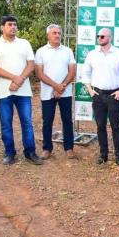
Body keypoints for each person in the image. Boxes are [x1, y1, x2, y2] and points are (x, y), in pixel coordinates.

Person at [0, 15, 42, 165]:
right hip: (4, 92)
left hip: (23, 92)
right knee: (6, 123)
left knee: (27, 122)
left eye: (15, 25)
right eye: (10, 24)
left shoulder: (24, 43)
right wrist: (14, 78)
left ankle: (30, 152)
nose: (13, 27)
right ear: (2, 27)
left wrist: (19, 80)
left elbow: (31, 65)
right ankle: (9, 152)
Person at [81, 28, 119, 166]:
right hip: (98, 95)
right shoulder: (92, 54)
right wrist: (90, 90)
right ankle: (103, 155)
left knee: (116, 126)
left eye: (102, 36)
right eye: (98, 36)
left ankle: (118, 155)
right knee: (100, 126)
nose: (99, 38)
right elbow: (85, 74)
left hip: (114, 95)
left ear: (110, 37)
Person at [35, 24, 77, 160]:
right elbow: (39, 74)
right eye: (54, 33)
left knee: (67, 121)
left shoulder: (68, 51)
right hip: (48, 93)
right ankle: (47, 149)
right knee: (47, 121)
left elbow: (72, 72)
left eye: (59, 33)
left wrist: (62, 87)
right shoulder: (41, 51)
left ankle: (69, 148)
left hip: (65, 92)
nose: (57, 35)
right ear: (48, 35)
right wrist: (56, 87)